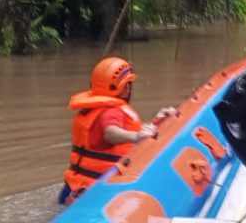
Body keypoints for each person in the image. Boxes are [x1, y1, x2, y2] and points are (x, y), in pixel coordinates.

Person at [59, 56, 175, 205]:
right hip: (93, 191)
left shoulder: (93, 108)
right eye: (129, 84)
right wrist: (136, 136)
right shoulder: (113, 111)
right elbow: (109, 133)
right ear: (125, 87)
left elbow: (113, 136)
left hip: (72, 188)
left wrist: (156, 123)